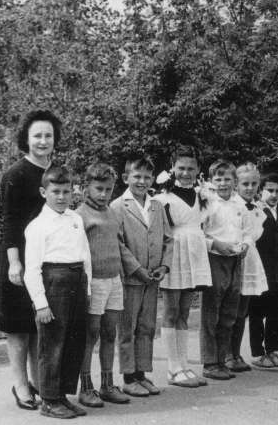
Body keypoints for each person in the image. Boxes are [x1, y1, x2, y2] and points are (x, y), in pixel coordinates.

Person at [0, 109, 61, 411]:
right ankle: (21, 385)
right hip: (20, 259)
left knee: (39, 325)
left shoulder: (55, 173)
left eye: (48, 135)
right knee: (18, 327)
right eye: (37, 135)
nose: (43, 141)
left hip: (47, 260)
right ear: (26, 138)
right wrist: (14, 263)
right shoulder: (15, 174)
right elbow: (10, 223)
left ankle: (39, 382)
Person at [23, 166, 92, 419]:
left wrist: (88, 288)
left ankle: (62, 395)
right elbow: (32, 269)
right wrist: (41, 304)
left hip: (77, 280)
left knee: (74, 340)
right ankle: (49, 400)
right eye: (56, 192)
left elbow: (85, 255)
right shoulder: (37, 226)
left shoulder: (76, 219)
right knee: (52, 343)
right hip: (54, 284)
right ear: (44, 192)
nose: (62, 197)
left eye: (66, 191)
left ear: (73, 192)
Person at [111, 155, 173, 396]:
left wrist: (164, 266)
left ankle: (141, 374)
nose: (142, 181)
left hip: (153, 278)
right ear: (126, 178)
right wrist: (137, 269)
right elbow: (118, 244)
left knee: (147, 326)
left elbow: (168, 239)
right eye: (137, 176)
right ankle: (128, 377)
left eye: (147, 177)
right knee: (128, 327)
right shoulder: (118, 206)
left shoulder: (157, 206)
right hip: (131, 278)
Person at [153, 146, 212, 388]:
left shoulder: (202, 195)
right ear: (172, 168)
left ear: (198, 170)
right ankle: (173, 368)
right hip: (174, 254)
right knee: (171, 310)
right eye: (181, 168)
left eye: (191, 168)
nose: (186, 173)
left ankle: (184, 365)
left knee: (184, 312)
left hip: (193, 255)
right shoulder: (163, 198)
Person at [76, 163, 131, 407]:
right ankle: (86, 387)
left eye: (108, 189)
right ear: (86, 187)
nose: (103, 194)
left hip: (114, 280)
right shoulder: (79, 215)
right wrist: (85, 286)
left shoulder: (112, 212)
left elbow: (119, 245)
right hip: (94, 282)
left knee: (110, 332)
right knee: (91, 334)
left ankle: (107, 385)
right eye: (98, 188)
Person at [201, 160, 250, 380]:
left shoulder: (239, 204)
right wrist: (215, 245)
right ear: (211, 181)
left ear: (235, 181)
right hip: (215, 258)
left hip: (235, 259)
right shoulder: (208, 204)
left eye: (227, 179)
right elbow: (199, 232)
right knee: (212, 311)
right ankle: (210, 362)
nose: (222, 183)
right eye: (218, 179)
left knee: (230, 311)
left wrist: (246, 244)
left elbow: (247, 230)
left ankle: (223, 359)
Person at [249, 174, 278, 368]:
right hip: (261, 270)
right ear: (261, 191)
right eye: (270, 190)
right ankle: (258, 353)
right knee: (257, 312)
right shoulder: (256, 211)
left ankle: (272, 349)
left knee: (276, 312)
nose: (274, 195)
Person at [228, 162, 268, 373]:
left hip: (251, 258)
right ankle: (227, 354)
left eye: (254, 183)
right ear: (236, 184)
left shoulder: (258, 208)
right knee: (232, 309)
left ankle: (236, 353)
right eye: (245, 184)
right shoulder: (232, 206)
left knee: (243, 309)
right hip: (235, 257)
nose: (250, 188)